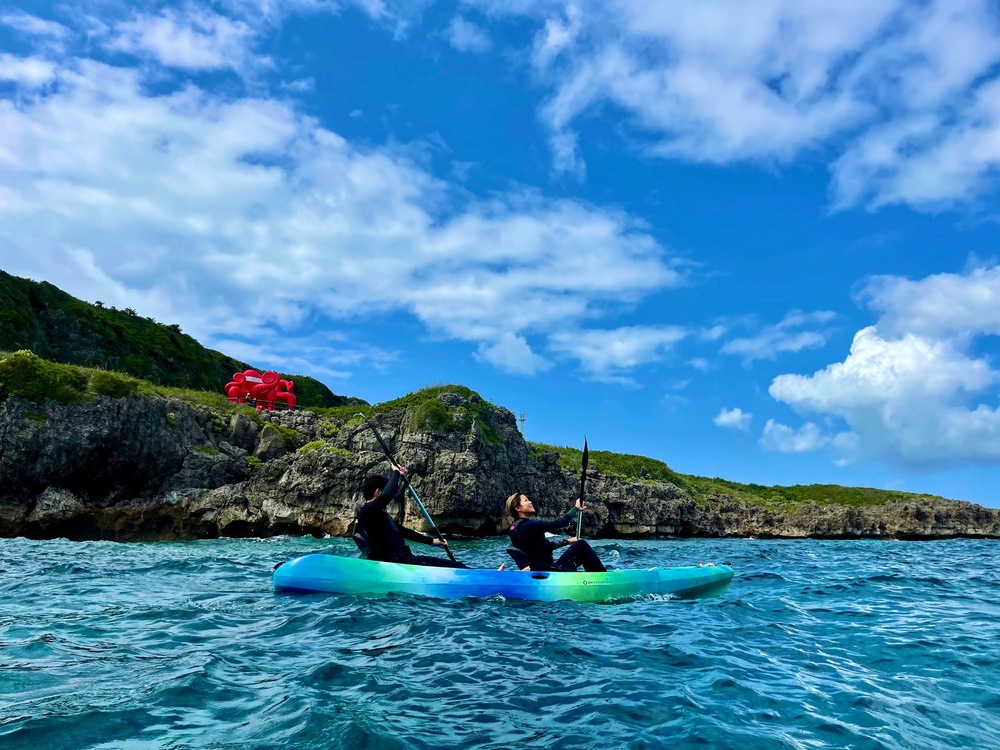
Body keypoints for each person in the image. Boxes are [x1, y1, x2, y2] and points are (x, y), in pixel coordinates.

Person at [357, 465, 467, 568]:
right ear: (378, 492)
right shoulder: (368, 511)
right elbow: (387, 495)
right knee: (459, 567)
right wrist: (396, 472)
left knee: (457, 565)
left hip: (401, 561)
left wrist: (431, 541)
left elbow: (403, 531)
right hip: (398, 562)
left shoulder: (376, 515)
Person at [506, 492, 607, 572]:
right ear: (518, 508)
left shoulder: (514, 529)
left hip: (540, 571)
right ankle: (603, 578)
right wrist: (575, 508)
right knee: (581, 545)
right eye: (526, 500)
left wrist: (567, 541)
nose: (530, 502)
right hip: (549, 572)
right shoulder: (529, 525)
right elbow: (558, 523)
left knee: (578, 545)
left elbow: (543, 548)